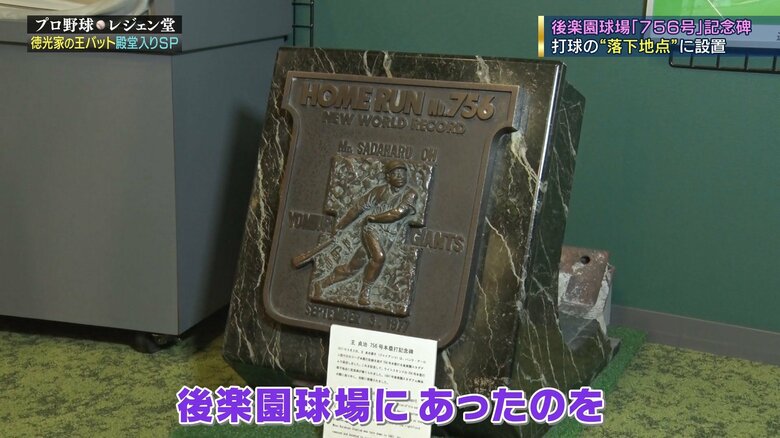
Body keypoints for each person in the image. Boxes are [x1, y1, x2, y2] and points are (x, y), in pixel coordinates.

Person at [315, 160, 417, 305]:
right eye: (396, 173)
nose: (400, 176)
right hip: (372, 229)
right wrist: (340, 226)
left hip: (388, 236)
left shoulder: (410, 194)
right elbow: (358, 208)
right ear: (388, 177)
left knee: (353, 268)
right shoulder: (379, 191)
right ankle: (365, 292)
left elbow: (398, 213)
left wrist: (375, 217)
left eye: (403, 173)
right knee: (379, 257)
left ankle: (321, 284)